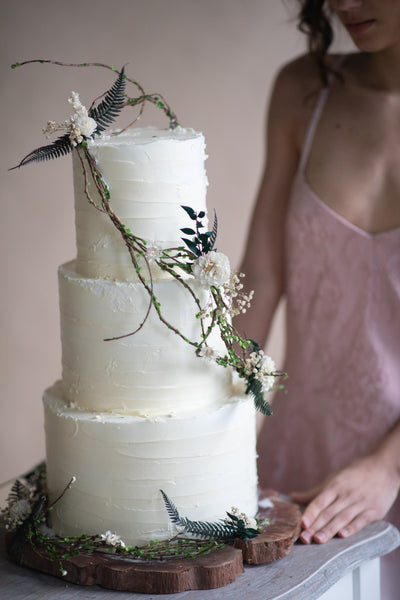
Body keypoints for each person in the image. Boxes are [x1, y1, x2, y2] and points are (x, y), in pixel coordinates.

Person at [238, 1, 400, 597]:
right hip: (294, 456)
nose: (344, 3)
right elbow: (259, 276)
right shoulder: (303, 91)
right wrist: (205, 423)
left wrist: (389, 467)